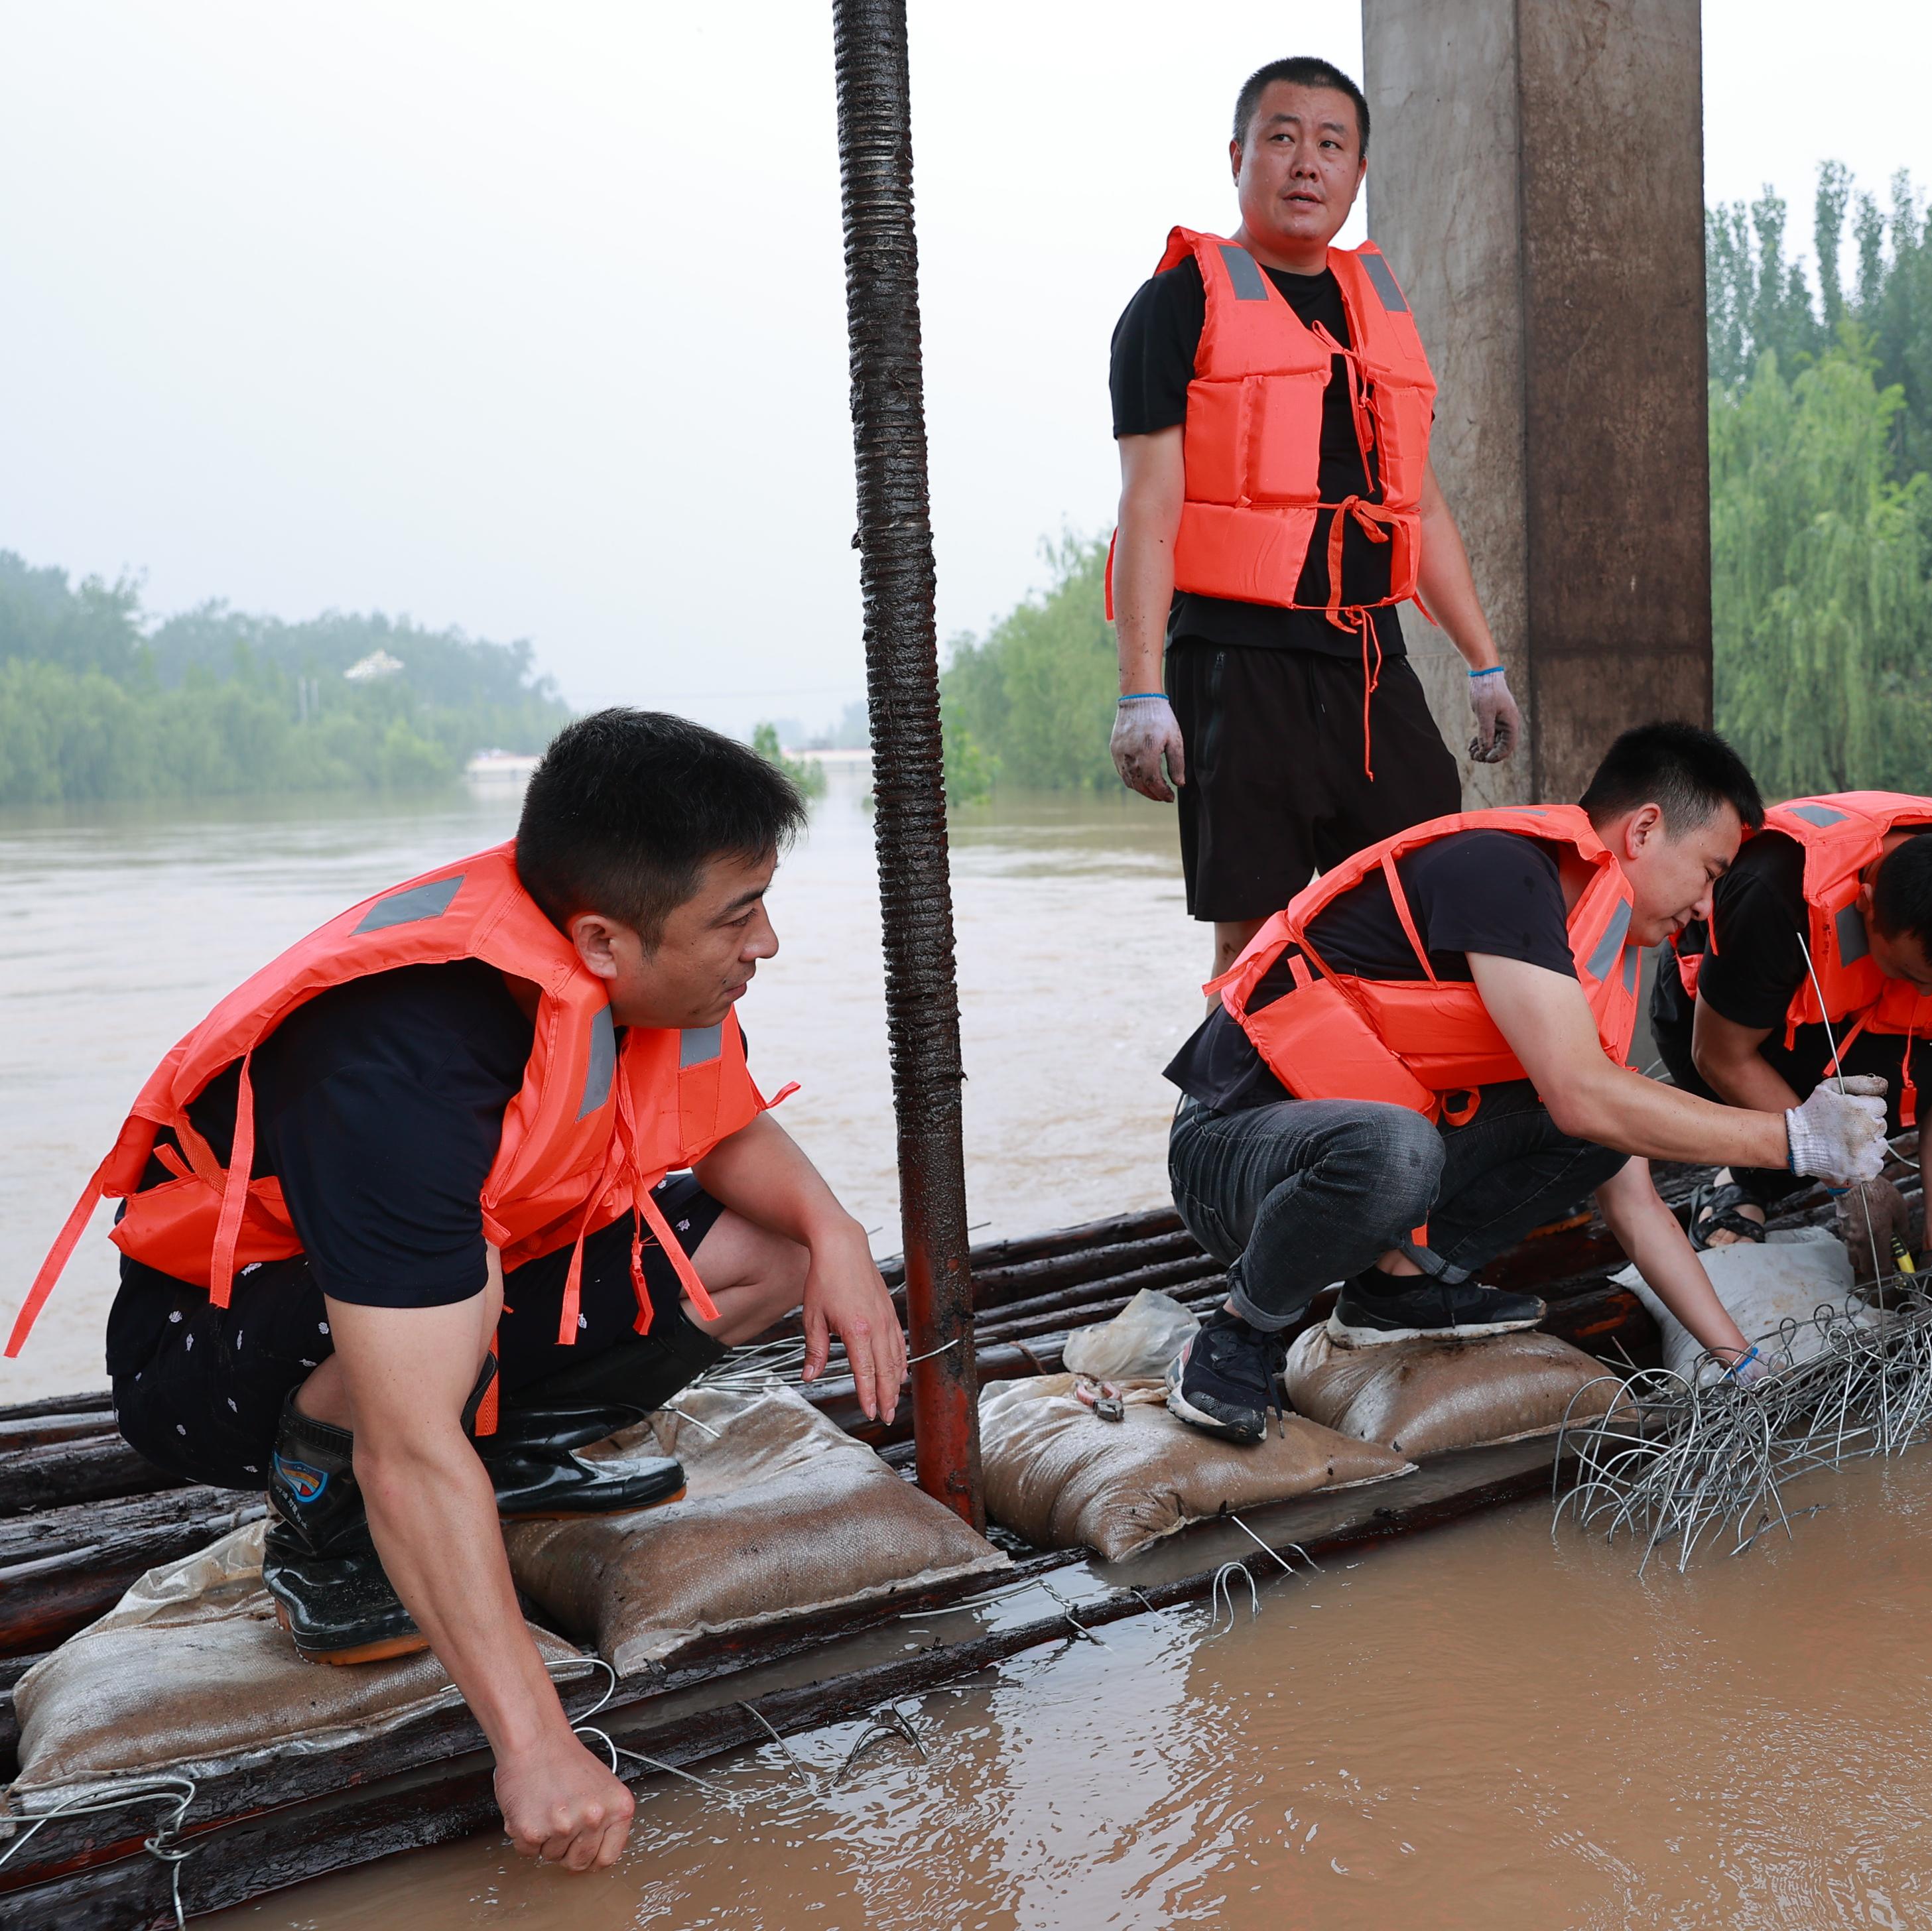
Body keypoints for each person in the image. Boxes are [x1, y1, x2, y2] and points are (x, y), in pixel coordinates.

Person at [9, 710, 904, 1873]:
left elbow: (718, 1116)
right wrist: (534, 1743)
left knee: (768, 1248)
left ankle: (511, 1451)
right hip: (210, 1353)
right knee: (451, 1319)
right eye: (738, 915)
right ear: (599, 939)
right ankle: (323, 1528)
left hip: (424, 1290)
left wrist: (833, 1230)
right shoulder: (404, 1061)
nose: (766, 944)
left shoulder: (640, 968)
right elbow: (409, 1442)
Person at [1157, 723, 1892, 1442]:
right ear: (1643, 830)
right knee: (1402, 1145)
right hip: (1229, 1155)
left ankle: (1398, 1291)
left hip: (1351, 1162)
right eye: (1710, 872)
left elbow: (1632, 1194)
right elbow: (1580, 1092)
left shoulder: (1596, 943)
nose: (1707, 908)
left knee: (1600, 1133)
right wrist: (1794, 1138)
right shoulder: (1503, 871)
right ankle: (1234, 1339)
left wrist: (1743, 1364)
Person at [1108, 54, 1523, 977]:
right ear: (1238, 156)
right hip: (1236, 664)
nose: (1307, 163)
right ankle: (1236, 1124)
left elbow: (1419, 503)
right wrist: (1142, 693)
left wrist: (1483, 662)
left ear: (1358, 173)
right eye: (1283, 138)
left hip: (1372, 662)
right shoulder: (1176, 303)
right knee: (1251, 942)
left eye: (1331, 145)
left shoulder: (1380, 306)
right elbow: (1149, 506)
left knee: (1429, 903)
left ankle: (1392, 1117)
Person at [1649, 791, 1932, 1257]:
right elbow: (1719, 1056)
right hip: (1724, 1029)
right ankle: (1745, 1180)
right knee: (1885, 1085)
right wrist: (1851, 1185)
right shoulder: (1774, 892)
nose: (1930, 997)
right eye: (1912, 976)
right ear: (1867, 903)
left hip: (1860, 1018)